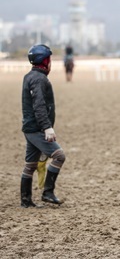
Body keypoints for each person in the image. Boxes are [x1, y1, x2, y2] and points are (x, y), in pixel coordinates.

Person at [20, 44, 66, 207]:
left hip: (30, 128)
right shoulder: (39, 79)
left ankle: (25, 201)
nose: (51, 63)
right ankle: (48, 192)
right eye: (50, 59)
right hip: (37, 128)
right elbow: (38, 106)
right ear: (44, 61)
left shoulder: (30, 76)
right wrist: (47, 127)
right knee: (59, 155)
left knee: (31, 165)